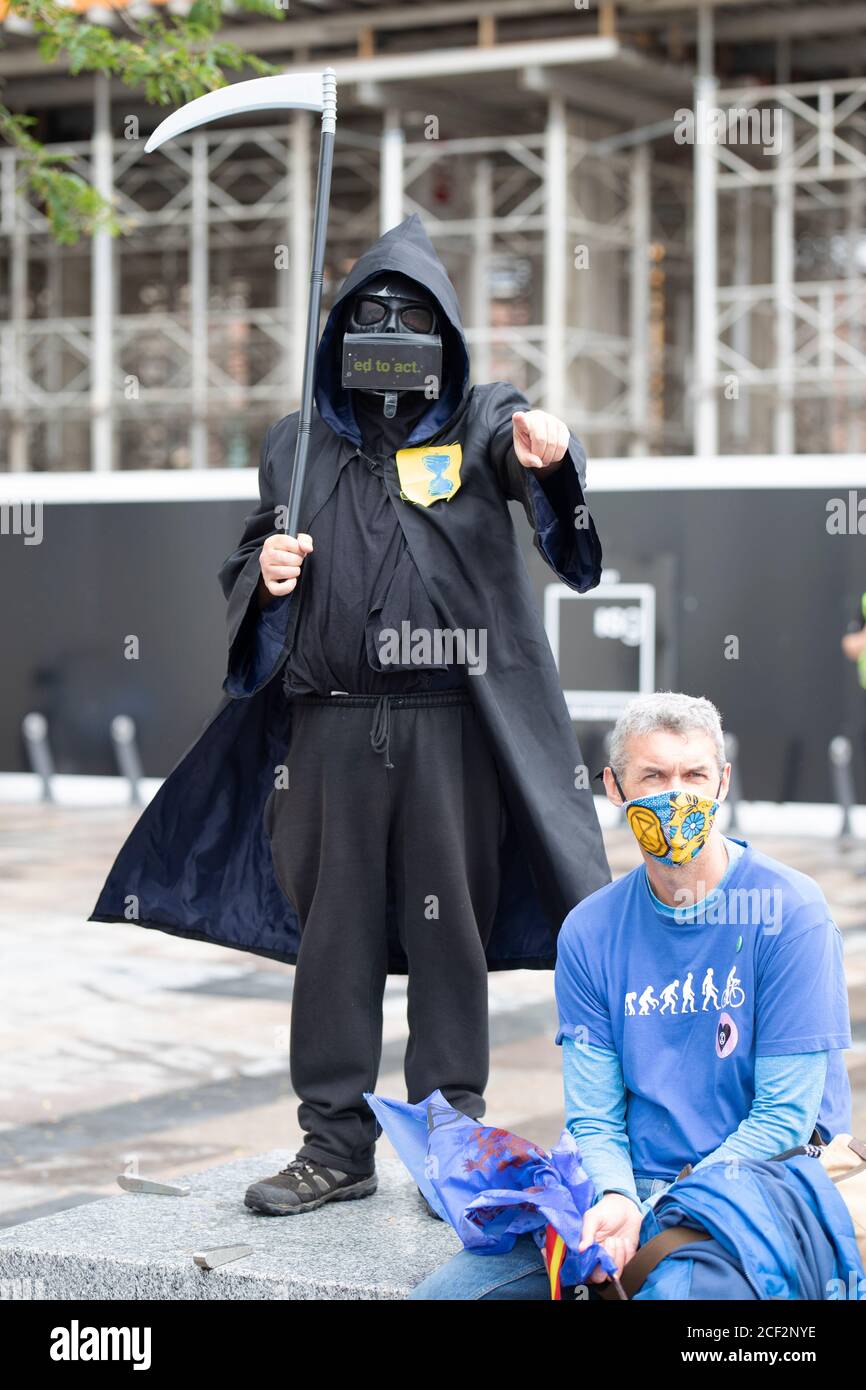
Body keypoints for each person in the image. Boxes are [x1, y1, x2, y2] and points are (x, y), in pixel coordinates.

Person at [89, 213, 611, 1216]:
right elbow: (245, 562)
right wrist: (266, 575)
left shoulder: (475, 419)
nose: (386, 326)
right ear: (336, 333)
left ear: (444, 333)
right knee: (333, 934)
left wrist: (548, 451)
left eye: (409, 312)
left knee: (447, 927)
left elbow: (526, 454)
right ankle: (333, 1144)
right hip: (324, 731)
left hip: (449, 729)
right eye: (369, 311)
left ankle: (450, 1131)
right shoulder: (296, 442)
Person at [408, 690, 853, 1298]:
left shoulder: (789, 912)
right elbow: (594, 1115)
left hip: (752, 1190)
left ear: (722, 783)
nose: (677, 796)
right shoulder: (591, 930)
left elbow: (783, 1120)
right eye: (654, 776)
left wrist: (664, 1209)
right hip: (628, 1189)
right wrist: (618, 1197)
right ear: (614, 788)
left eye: (694, 775)